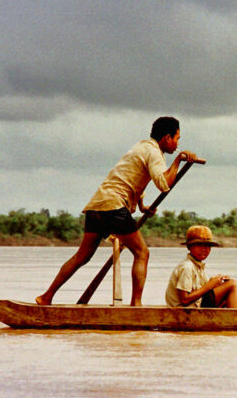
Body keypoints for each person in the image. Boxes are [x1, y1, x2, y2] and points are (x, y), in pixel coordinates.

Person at [36, 116, 197, 306]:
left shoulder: (141, 147)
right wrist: (178, 160)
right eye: (177, 138)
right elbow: (163, 184)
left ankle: (46, 297)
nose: (178, 144)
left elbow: (131, 177)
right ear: (167, 137)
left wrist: (142, 206)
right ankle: (136, 305)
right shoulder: (153, 152)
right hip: (113, 205)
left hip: (97, 204)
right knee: (142, 253)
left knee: (82, 256)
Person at [165, 225, 237, 308]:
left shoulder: (198, 266)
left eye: (207, 246)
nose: (204, 249)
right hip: (183, 311)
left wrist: (216, 283)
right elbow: (185, 300)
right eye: (199, 245)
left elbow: (201, 291)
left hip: (196, 305)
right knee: (233, 285)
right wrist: (209, 285)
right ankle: (232, 320)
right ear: (189, 247)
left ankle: (227, 319)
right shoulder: (187, 267)